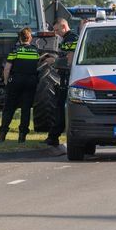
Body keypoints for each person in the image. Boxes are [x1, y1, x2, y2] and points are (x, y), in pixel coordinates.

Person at [0, 27, 40, 142]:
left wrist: (6, 82)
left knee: (9, 108)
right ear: (30, 38)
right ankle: (22, 136)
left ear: (20, 38)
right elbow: (37, 67)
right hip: (30, 82)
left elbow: (7, 69)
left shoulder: (15, 50)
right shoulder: (35, 51)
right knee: (26, 109)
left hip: (16, 81)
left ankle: (2, 134)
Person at [44, 18, 80, 147]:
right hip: (65, 77)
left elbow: (70, 61)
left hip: (67, 77)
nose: (56, 33)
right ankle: (53, 136)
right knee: (58, 107)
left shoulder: (71, 39)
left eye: (57, 30)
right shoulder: (67, 38)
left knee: (59, 108)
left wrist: (54, 61)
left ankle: (53, 137)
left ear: (64, 27)